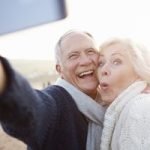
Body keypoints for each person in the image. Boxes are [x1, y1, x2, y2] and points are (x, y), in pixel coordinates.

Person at [0, 30, 105, 150]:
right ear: (59, 70)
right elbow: (31, 109)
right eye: (73, 56)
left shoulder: (111, 101)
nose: (85, 61)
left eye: (90, 51)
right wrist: (4, 79)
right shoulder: (57, 102)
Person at [97, 37, 150, 150]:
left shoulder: (140, 107)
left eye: (116, 62)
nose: (103, 70)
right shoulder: (120, 110)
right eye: (101, 63)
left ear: (138, 70)